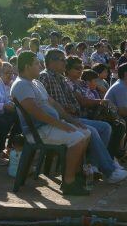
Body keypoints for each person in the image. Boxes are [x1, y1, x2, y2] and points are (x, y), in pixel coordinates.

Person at [39, 50, 127, 183]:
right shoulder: (44, 77)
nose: (65, 62)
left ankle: (93, 166)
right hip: (59, 119)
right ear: (52, 61)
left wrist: (72, 108)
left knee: (106, 127)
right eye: (62, 60)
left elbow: (73, 102)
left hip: (71, 116)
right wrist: (67, 110)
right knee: (92, 130)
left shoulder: (60, 78)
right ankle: (110, 171)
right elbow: (44, 104)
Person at [10, 51, 92, 196]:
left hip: (49, 126)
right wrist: (61, 125)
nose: (40, 66)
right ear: (27, 66)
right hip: (38, 130)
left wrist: (71, 120)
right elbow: (36, 113)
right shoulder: (21, 85)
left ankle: (76, 174)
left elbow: (53, 103)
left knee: (86, 133)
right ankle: (69, 182)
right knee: (78, 138)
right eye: (37, 63)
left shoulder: (36, 82)